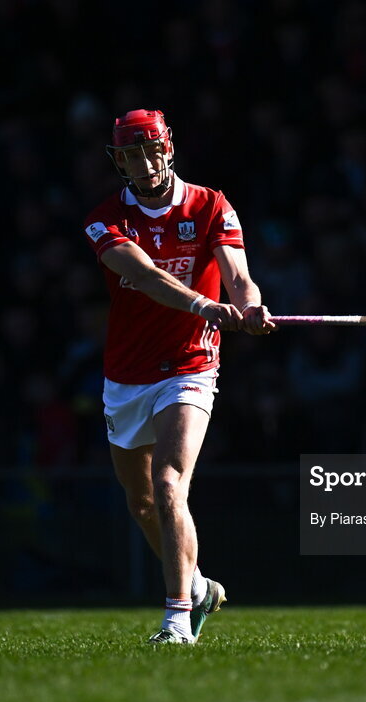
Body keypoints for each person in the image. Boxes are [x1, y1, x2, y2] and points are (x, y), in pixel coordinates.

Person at [83, 109, 275, 644]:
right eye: (129, 156)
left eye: (150, 151)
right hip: (127, 374)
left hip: (191, 363)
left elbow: (238, 276)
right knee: (141, 501)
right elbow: (143, 275)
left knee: (170, 482)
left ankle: (176, 621)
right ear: (117, 161)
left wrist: (249, 307)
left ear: (169, 148)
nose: (143, 164)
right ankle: (195, 583)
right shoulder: (104, 220)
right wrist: (204, 305)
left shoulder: (211, 204)